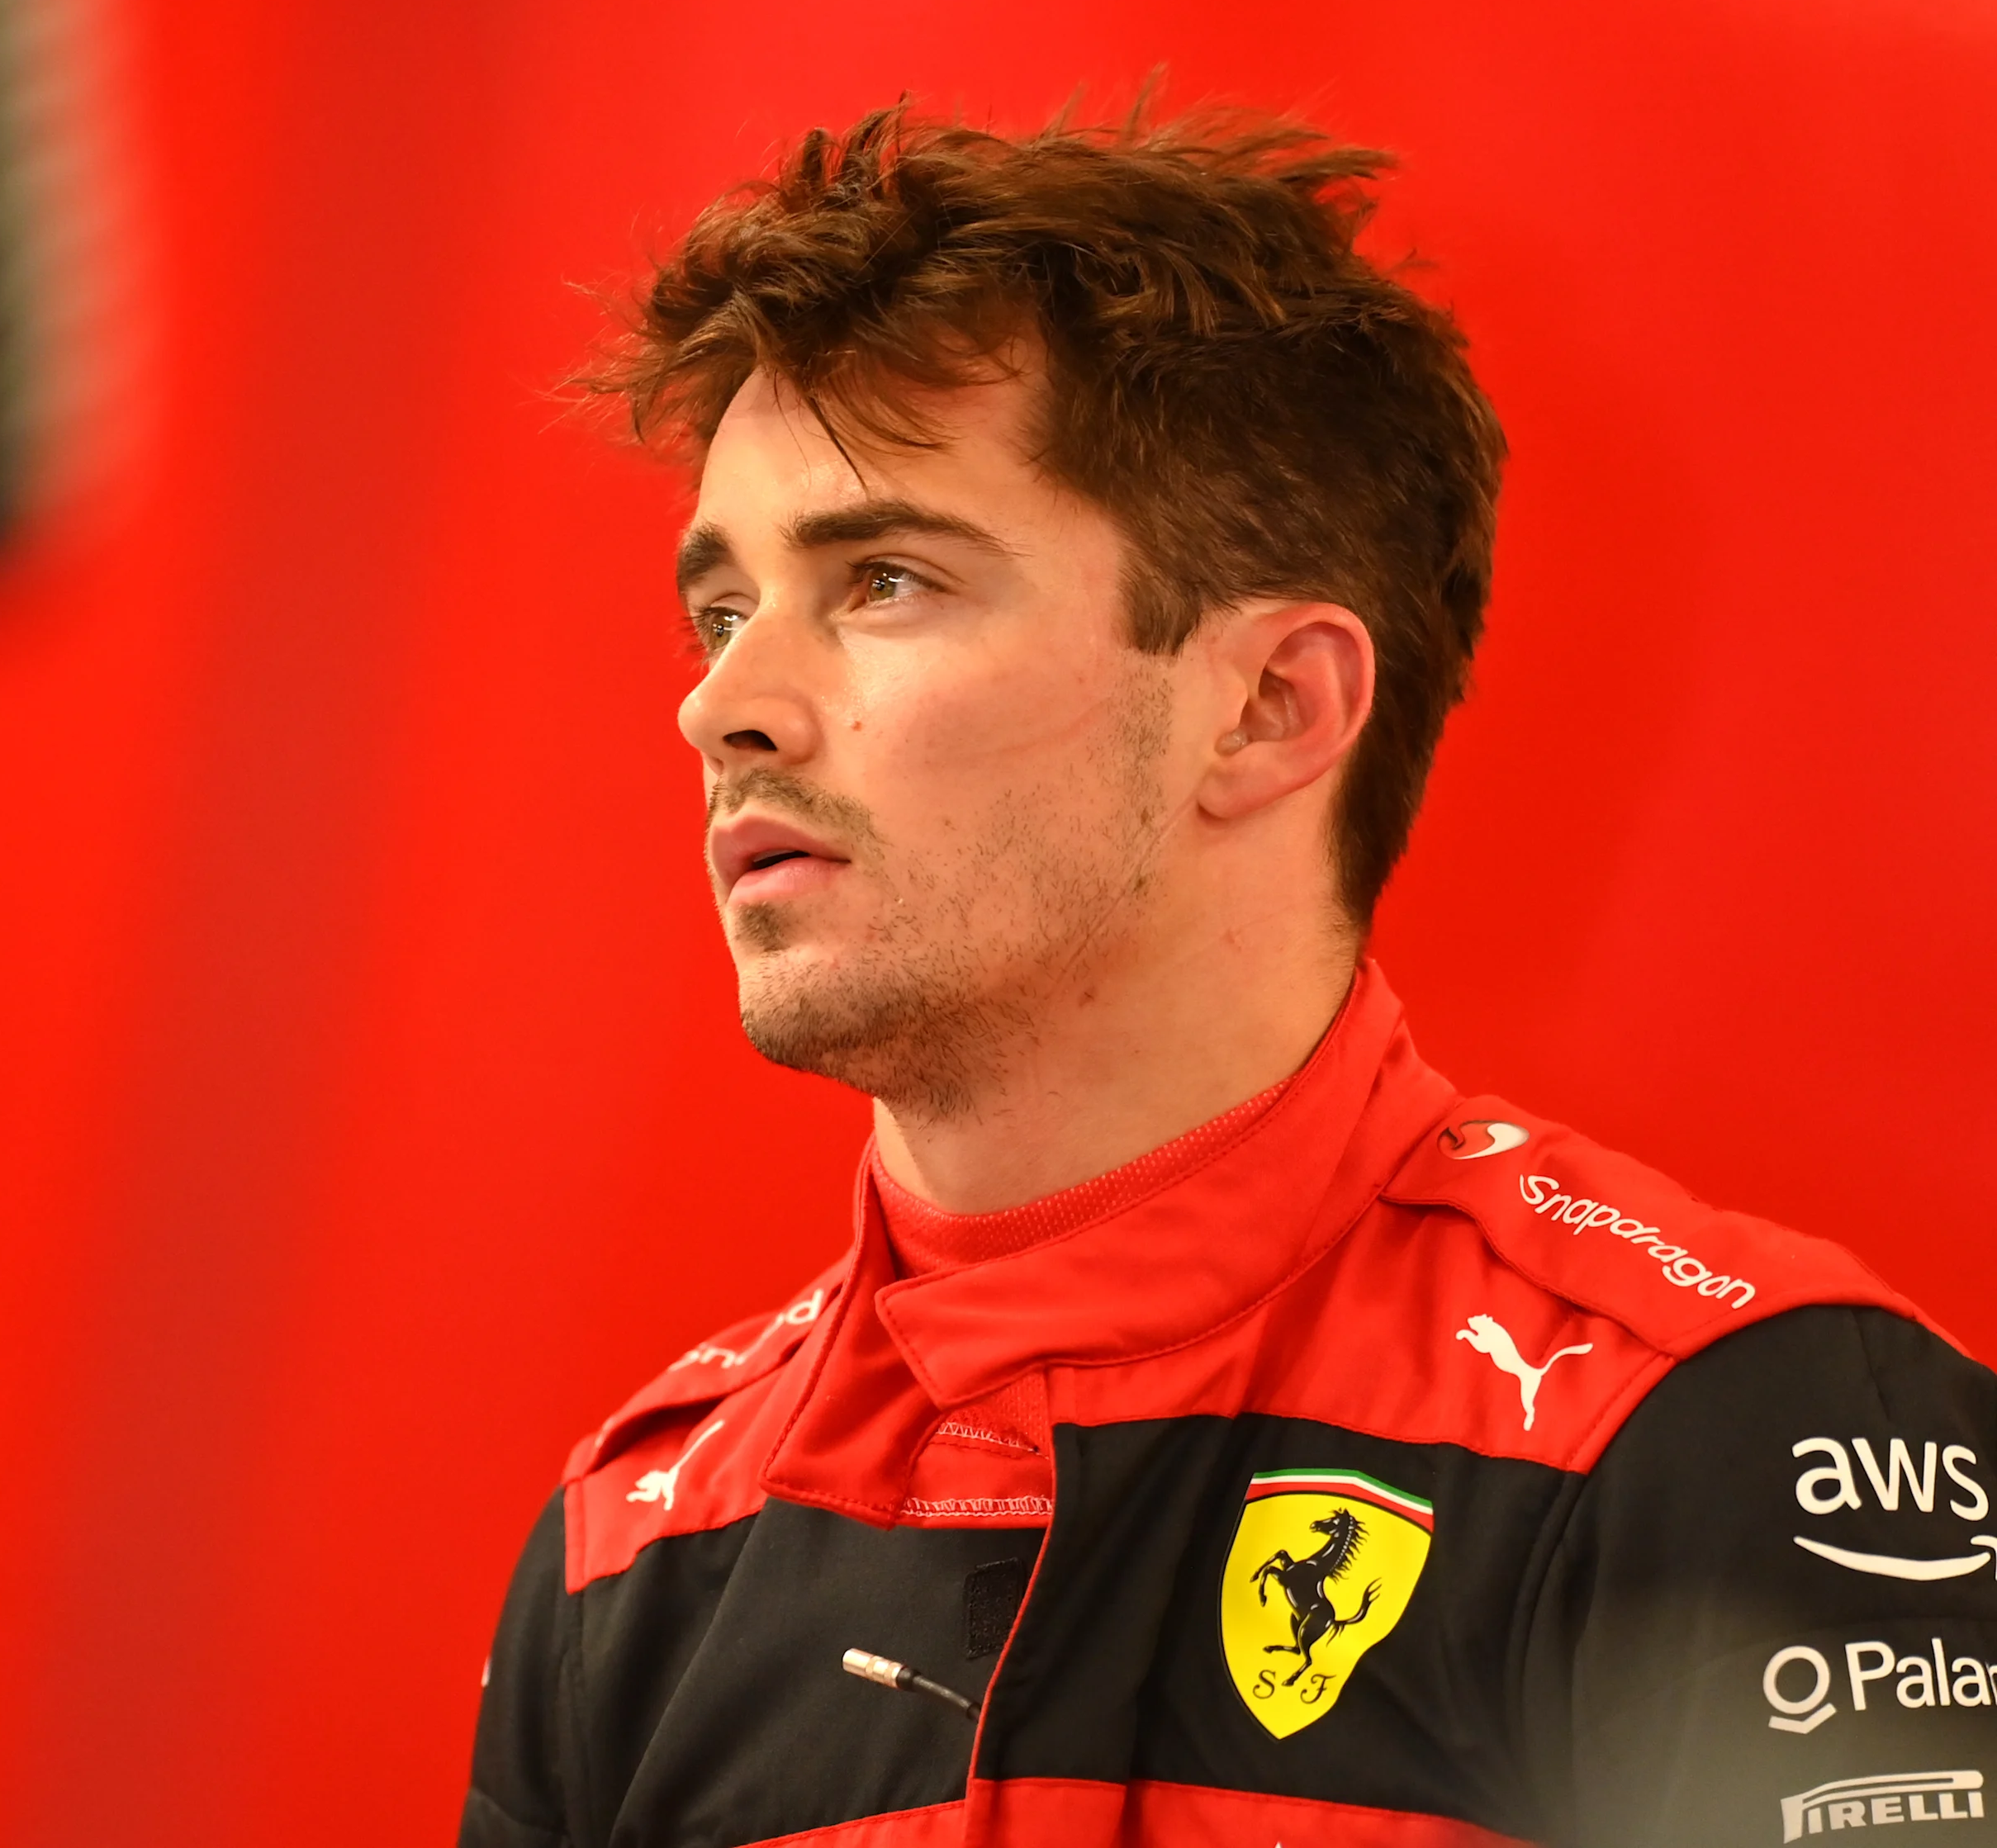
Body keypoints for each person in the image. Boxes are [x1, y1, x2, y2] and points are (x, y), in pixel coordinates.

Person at [458, 100, 1997, 1848]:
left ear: (1270, 708)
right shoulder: (639, 1537)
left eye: (881, 579)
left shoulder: (1717, 1432)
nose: (721, 703)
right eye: (721, 608)